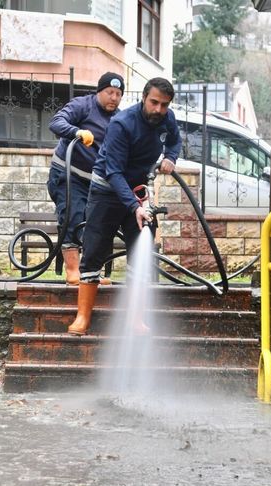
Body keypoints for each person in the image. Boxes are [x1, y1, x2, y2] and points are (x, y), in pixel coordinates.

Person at [67, 77, 182, 335]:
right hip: (107, 190)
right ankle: (83, 317)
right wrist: (134, 206)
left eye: (164, 105)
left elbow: (174, 141)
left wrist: (171, 157)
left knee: (141, 251)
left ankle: (135, 319)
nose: (158, 110)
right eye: (154, 103)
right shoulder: (122, 124)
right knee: (95, 250)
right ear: (143, 98)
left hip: (139, 191)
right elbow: (114, 172)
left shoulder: (167, 118)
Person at [47, 72, 125, 285]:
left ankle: (91, 273)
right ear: (100, 91)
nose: (114, 97)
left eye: (118, 94)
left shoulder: (119, 119)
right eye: (110, 92)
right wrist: (77, 132)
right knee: (73, 216)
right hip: (67, 174)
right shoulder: (83, 105)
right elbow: (56, 122)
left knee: (95, 224)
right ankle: (73, 271)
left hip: (94, 181)